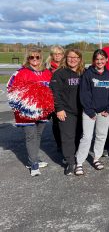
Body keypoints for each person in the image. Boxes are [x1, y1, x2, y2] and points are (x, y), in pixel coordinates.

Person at [7, 47, 53, 176]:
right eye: (31, 57)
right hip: (27, 112)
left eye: (37, 57)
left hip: (43, 110)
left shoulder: (46, 72)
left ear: (41, 58)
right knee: (31, 136)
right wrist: (21, 105)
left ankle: (34, 158)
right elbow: (11, 88)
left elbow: (52, 88)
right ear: (27, 58)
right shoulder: (21, 72)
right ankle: (33, 164)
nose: (34, 59)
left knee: (38, 135)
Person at [75, 49, 109, 176]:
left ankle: (96, 158)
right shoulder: (88, 74)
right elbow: (84, 94)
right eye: (97, 59)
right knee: (87, 137)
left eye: (102, 59)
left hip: (104, 112)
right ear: (94, 60)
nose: (100, 61)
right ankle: (79, 162)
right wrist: (89, 111)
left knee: (101, 135)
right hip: (89, 112)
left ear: (106, 60)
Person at [50, 49, 85, 175]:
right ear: (66, 58)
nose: (73, 59)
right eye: (70, 57)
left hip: (82, 111)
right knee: (67, 137)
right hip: (66, 111)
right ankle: (70, 163)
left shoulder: (83, 72)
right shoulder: (60, 73)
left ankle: (75, 156)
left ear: (80, 59)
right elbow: (55, 93)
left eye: (76, 57)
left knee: (78, 135)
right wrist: (59, 108)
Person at [46, 45, 65, 153]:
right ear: (52, 55)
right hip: (53, 98)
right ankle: (59, 144)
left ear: (63, 55)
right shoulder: (47, 68)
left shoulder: (67, 66)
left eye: (60, 54)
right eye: (55, 54)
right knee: (56, 123)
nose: (57, 56)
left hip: (66, 98)